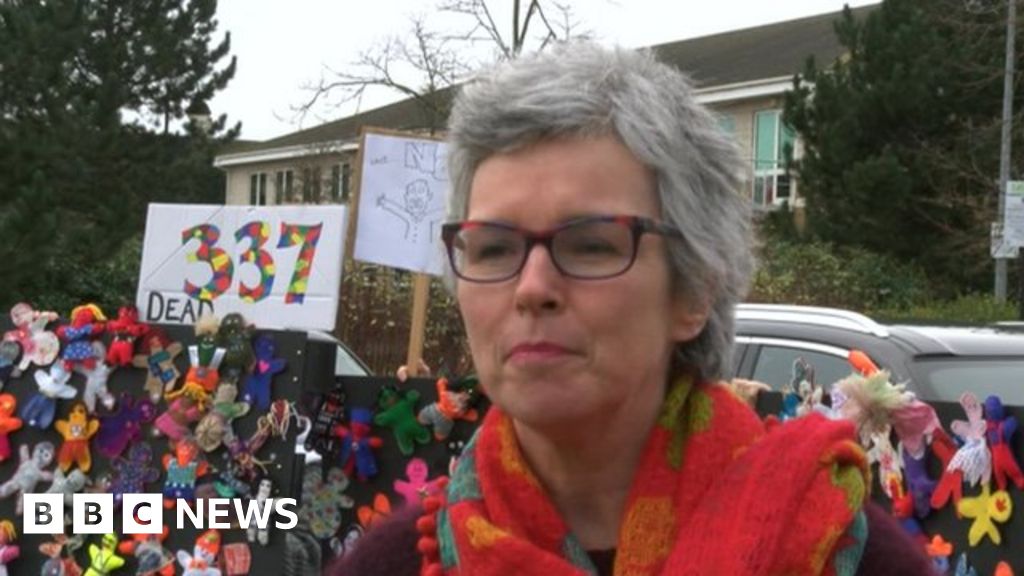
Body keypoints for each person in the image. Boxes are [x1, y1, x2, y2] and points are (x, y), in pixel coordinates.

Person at [330, 42, 935, 576]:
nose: (531, 285)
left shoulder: (843, 552)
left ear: (693, 290)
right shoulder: (401, 564)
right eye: (493, 248)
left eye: (591, 243)